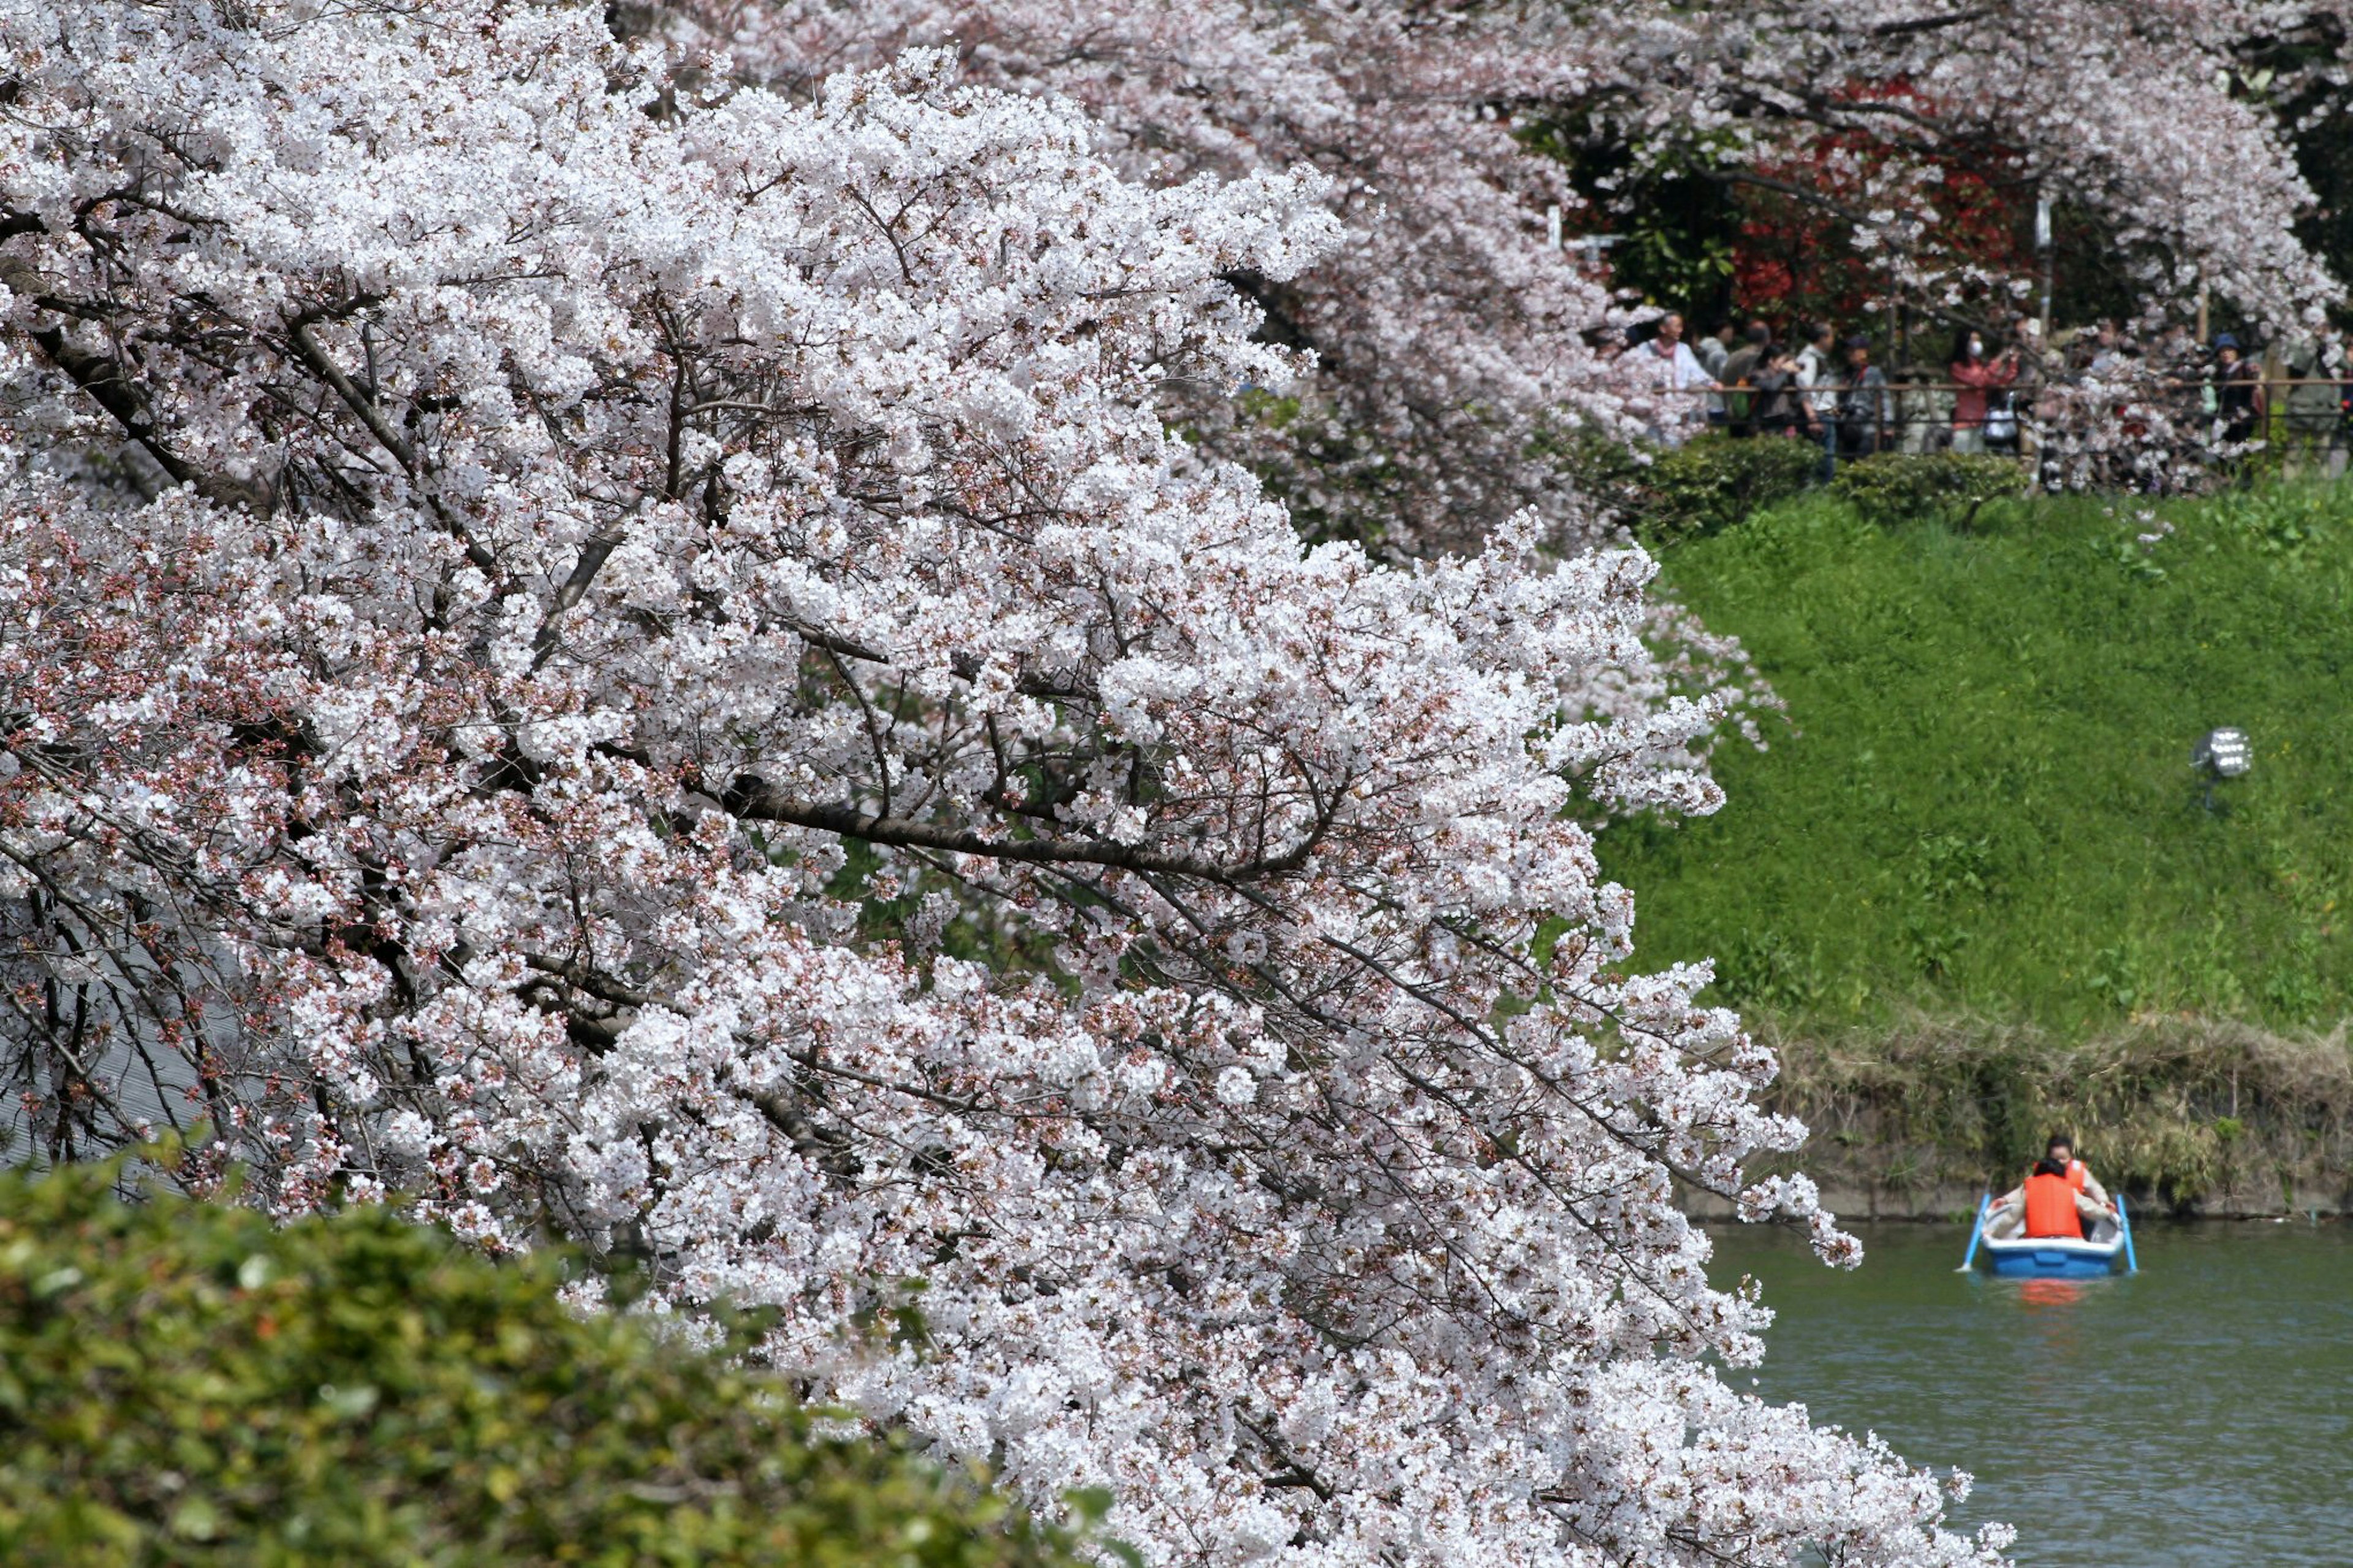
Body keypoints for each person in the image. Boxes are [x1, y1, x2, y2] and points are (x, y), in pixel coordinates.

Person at [1620, 311, 1714, 444]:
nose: (1680, 330)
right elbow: (1636, 377)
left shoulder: (1683, 350)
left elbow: (1697, 372)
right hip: (1652, 410)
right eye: (1677, 326)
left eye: (1681, 327)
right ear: (1663, 328)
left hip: (1676, 410)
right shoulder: (1645, 349)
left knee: (1674, 446)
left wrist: (1711, 383)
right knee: (1652, 446)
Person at [1948, 327, 2020, 453]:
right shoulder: (1957, 366)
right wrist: (1998, 360)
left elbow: (2000, 382)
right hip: (1964, 423)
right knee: (1960, 458)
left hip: (1981, 423)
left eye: (1978, 340)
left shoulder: (1980, 366)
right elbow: (1978, 382)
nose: (1977, 344)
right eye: (1973, 340)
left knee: (1977, 460)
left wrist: (2013, 363)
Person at [1833, 335, 1891, 458]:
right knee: (1848, 460)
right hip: (1848, 426)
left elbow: (1885, 399)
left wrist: (1888, 425)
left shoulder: (1874, 373)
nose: (1849, 353)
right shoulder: (1846, 374)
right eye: (1848, 350)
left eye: (1852, 350)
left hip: (1868, 427)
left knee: (1864, 458)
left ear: (1863, 352)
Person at [1718, 322, 1773, 437]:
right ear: (1766, 339)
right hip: (1748, 413)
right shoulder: (1755, 357)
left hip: (1732, 408)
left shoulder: (1735, 355)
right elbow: (1758, 381)